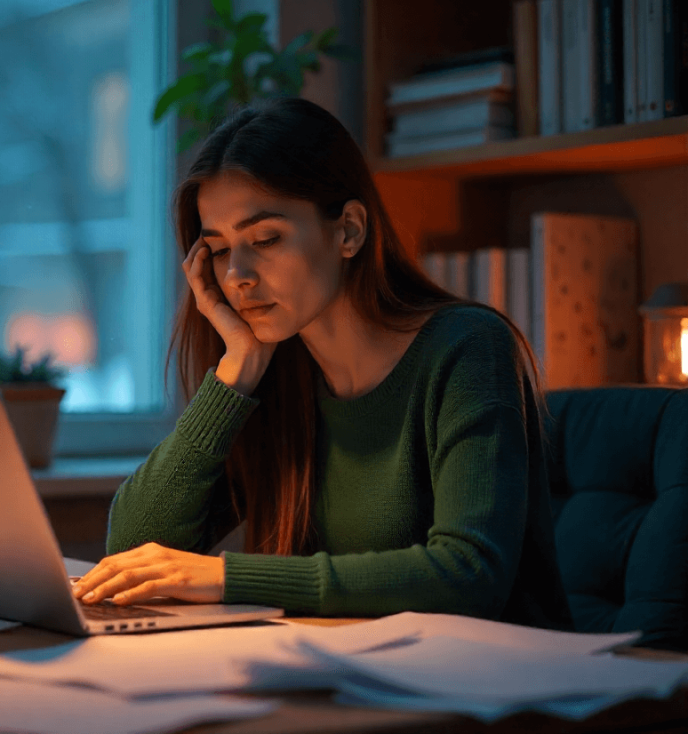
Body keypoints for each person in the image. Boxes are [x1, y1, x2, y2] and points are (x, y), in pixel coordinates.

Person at [71, 97, 572, 628]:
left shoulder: (468, 347)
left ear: (349, 230)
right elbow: (131, 546)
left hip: (505, 689)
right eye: (218, 249)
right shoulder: (279, 375)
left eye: (265, 238)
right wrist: (234, 371)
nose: (237, 274)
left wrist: (224, 578)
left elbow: (470, 574)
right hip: (360, 677)